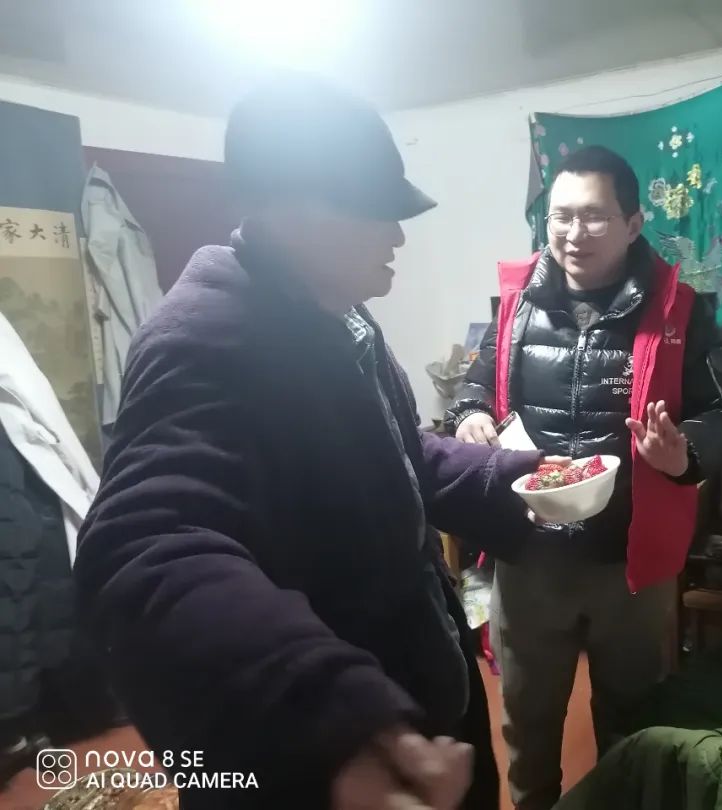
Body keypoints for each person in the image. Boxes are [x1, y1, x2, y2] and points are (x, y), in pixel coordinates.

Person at [72, 75, 554, 810]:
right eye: (376, 212)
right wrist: (322, 712)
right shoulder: (207, 339)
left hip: (409, 709)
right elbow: (149, 550)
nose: (398, 236)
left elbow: (395, 455)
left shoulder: (339, 316)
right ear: (287, 208)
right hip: (334, 754)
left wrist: (512, 478)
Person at [445, 146, 722, 810]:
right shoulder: (516, 303)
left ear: (634, 223)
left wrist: (684, 453)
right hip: (528, 555)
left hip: (630, 561)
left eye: (593, 216)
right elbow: (475, 385)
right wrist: (470, 414)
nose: (573, 233)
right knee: (527, 723)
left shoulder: (679, 310)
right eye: (560, 217)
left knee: (634, 723)